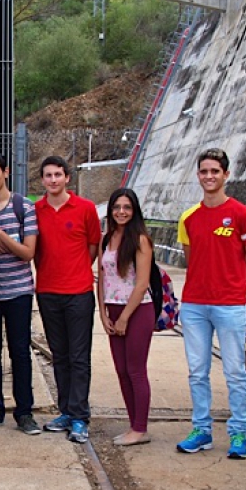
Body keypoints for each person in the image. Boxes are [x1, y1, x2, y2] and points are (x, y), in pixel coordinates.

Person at [176, 148, 246, 459]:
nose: (209, 176)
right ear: (198, 175)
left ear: (226, 175)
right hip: (195, 305)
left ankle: (239, 432)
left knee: (235, 371)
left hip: (229, 305)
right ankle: (201, 430)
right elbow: (191, 259)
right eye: (204, 171)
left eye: (215, 171)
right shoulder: (189, 217)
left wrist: (234, 284)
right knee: (197, 371)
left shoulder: (241, 214)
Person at [0, 153, 41, 436]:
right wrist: (6, 245)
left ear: (6, 172)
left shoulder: (23, 206)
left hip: (18, 293)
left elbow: (27, 253)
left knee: (19, 353)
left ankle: (24, 412)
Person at [34, 156, 101, 444]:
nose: (53, 180)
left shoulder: (85, 209)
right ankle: (65, 411)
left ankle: (79, 416)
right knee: (59, 355)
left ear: (67, 178)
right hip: (48, 292)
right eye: (48, 176)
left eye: (58, 175)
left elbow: (93, 246)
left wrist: (76, 272)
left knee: (78, 357)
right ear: (42, 180)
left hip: (79, 293)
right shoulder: (36, 210)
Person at [97, 188, 154, 447]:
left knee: (135, 370)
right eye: (117, 207)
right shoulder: (106, 238)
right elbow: (102, 278)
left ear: (134, 211)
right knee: (121, 371)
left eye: (127, 207)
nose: (121, 212)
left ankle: (140, 428)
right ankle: (133, 423)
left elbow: (141, 284)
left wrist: (124, 318)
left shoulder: (141, 240)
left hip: (138, 309)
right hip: (113, 309)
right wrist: (103, 312)